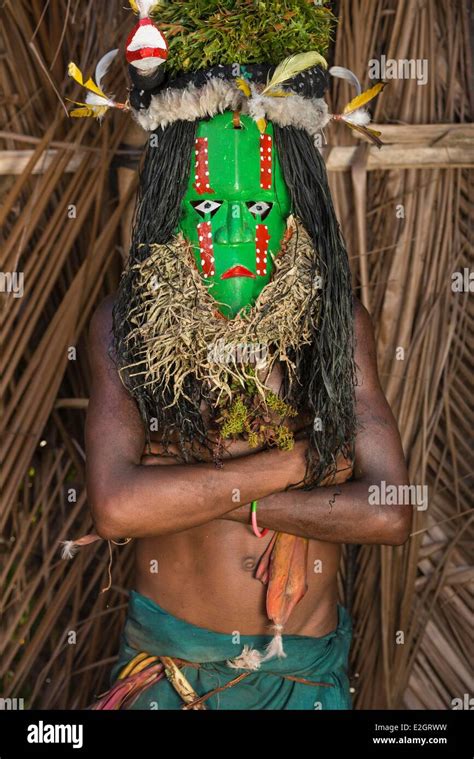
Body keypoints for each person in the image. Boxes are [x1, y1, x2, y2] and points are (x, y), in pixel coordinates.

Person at [66, 0, 411, 710]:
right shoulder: (126, 327)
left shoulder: (335, 323)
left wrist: (208, 489)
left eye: (255, 208)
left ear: (295, 202)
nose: (231, 233)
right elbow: (117, 507)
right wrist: (305, 463)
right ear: (173, 198)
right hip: (172, 676)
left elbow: (388, 511)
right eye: (210, 207)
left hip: (304, 677)